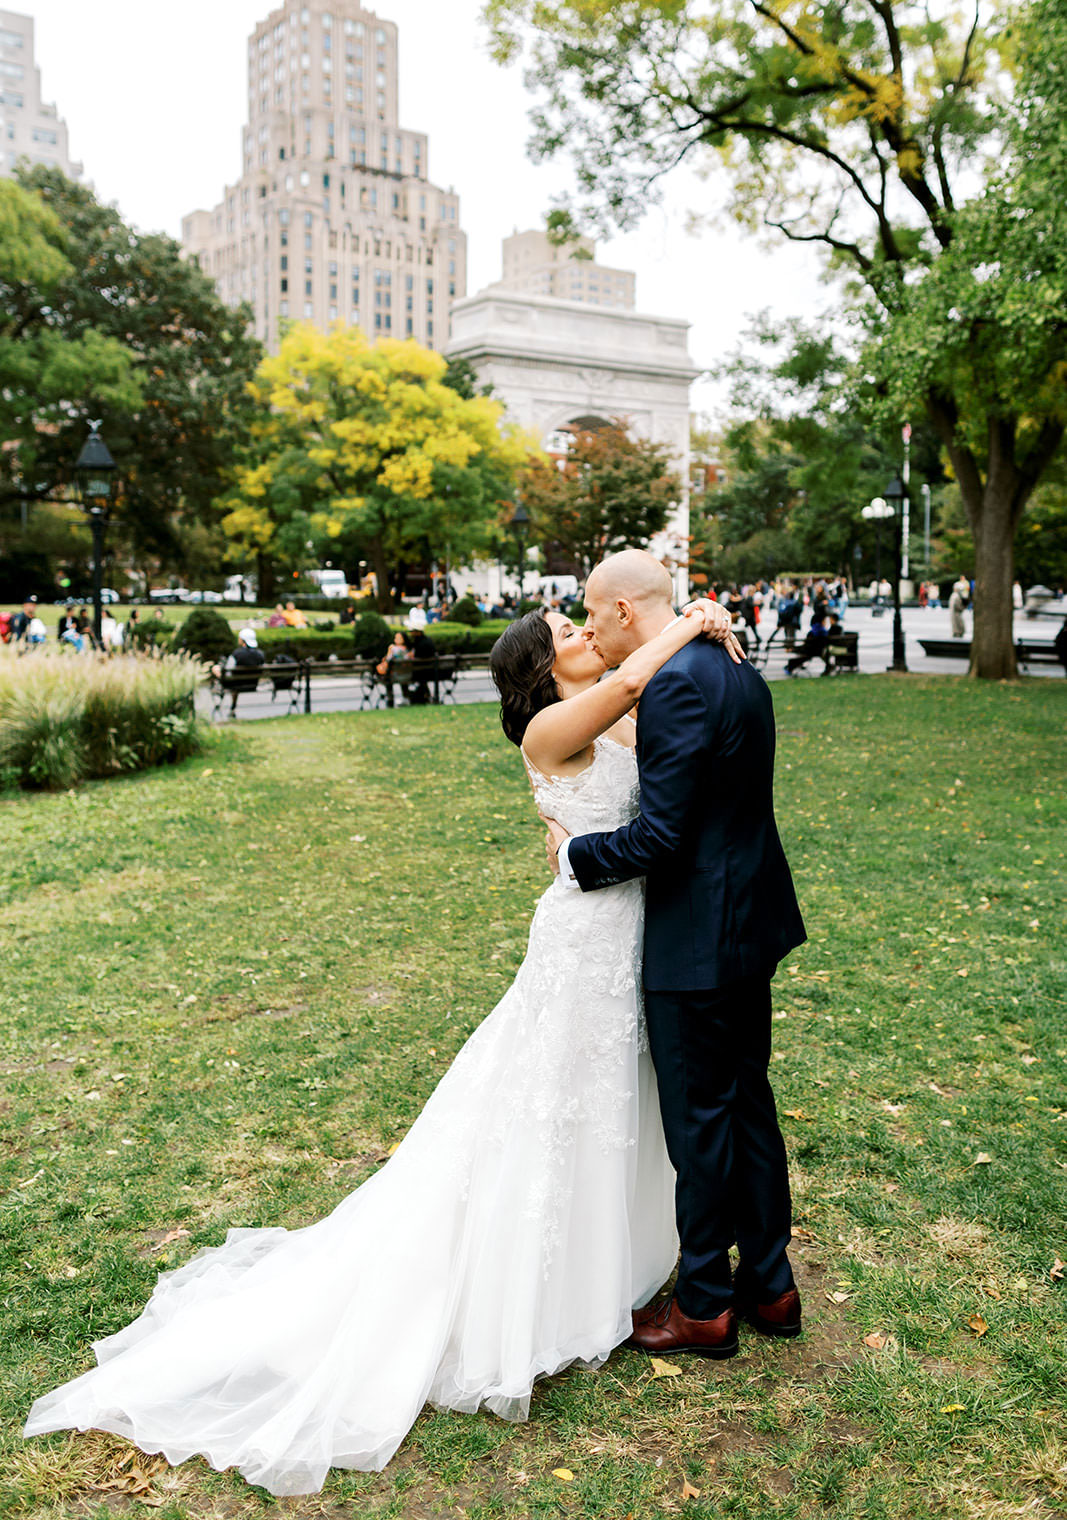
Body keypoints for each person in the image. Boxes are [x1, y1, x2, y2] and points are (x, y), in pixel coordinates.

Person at [24, 579, 746, 1494]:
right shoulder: (549, 731)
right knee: (554, 1094)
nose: (582, 632)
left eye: (581, 622)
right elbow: (640, 676)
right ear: (538, 668)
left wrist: (692, 645)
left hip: (632, 927)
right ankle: (527, 1282)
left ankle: (620, 1255)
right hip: (581, 940)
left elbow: (665, 755)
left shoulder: (610, 717)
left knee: (614, 1095)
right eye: (565, 630)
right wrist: (686, 619)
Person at [542, 550, 805, 1362]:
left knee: (699, 1124)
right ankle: (769, 1284)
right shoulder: (728, 665)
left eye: (592, 611)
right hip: (748, 921)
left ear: (625, 610)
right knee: (747, 1108)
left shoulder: (678, 684)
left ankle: (702, 1305)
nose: (587, 626)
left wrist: (572, 859)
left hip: (698, 936)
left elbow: (662, 835)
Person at [212, 627, 265, 718]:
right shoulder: (260, 654)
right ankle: (233, 706)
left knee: (215, 668)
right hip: (253, 684)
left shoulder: (237, 653)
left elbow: (228, 670)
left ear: (243, 640)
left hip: (236, 684)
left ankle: (218, 688)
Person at [785, 611, 835, 676]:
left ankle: (789, 666)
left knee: (802, 656)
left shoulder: (813, 631)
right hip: (816, 650)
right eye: (824, 620)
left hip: (812, 651)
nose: (825, 622)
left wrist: (794, 649)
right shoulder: (823, 631)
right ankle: (829, 666)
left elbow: (807, 644)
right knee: (803, 655)